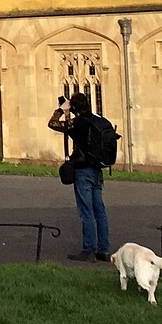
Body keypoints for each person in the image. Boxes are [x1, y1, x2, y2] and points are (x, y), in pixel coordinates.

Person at [49, 92, 111, 261]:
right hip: (97, 170)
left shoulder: (77, 124)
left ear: (74, 107)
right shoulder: (97, 120)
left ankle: (88, 248)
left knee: (86, 211)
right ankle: (104, 250)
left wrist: (61, 109)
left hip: (83, 170)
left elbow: (53, 124)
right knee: (100, 211)